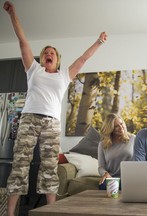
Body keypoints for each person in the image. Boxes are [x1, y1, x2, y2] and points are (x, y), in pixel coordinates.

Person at [3, 1, 107, 215]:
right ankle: (10, 213)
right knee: (20, 165)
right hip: (29, 119)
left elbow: (84, 58)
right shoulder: (33, 70)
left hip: (51, 123)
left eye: (52, 53)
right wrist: (13, 13)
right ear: (42, 59)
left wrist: (99, 41)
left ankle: (50, 212)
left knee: (49, 168)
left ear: (57, 59)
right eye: (45, 53)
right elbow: (22, 41)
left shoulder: (64, 75)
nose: (48, 54)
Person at [98, 113, 135, 190]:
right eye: (116, 126)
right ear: (110, 129)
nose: (121, 127)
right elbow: (101, 167)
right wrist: (105, 174)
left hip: (131, 177)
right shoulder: (102, 144)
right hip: (113, 179)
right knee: (103, 185)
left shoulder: (133, 139)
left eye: (121, 124)